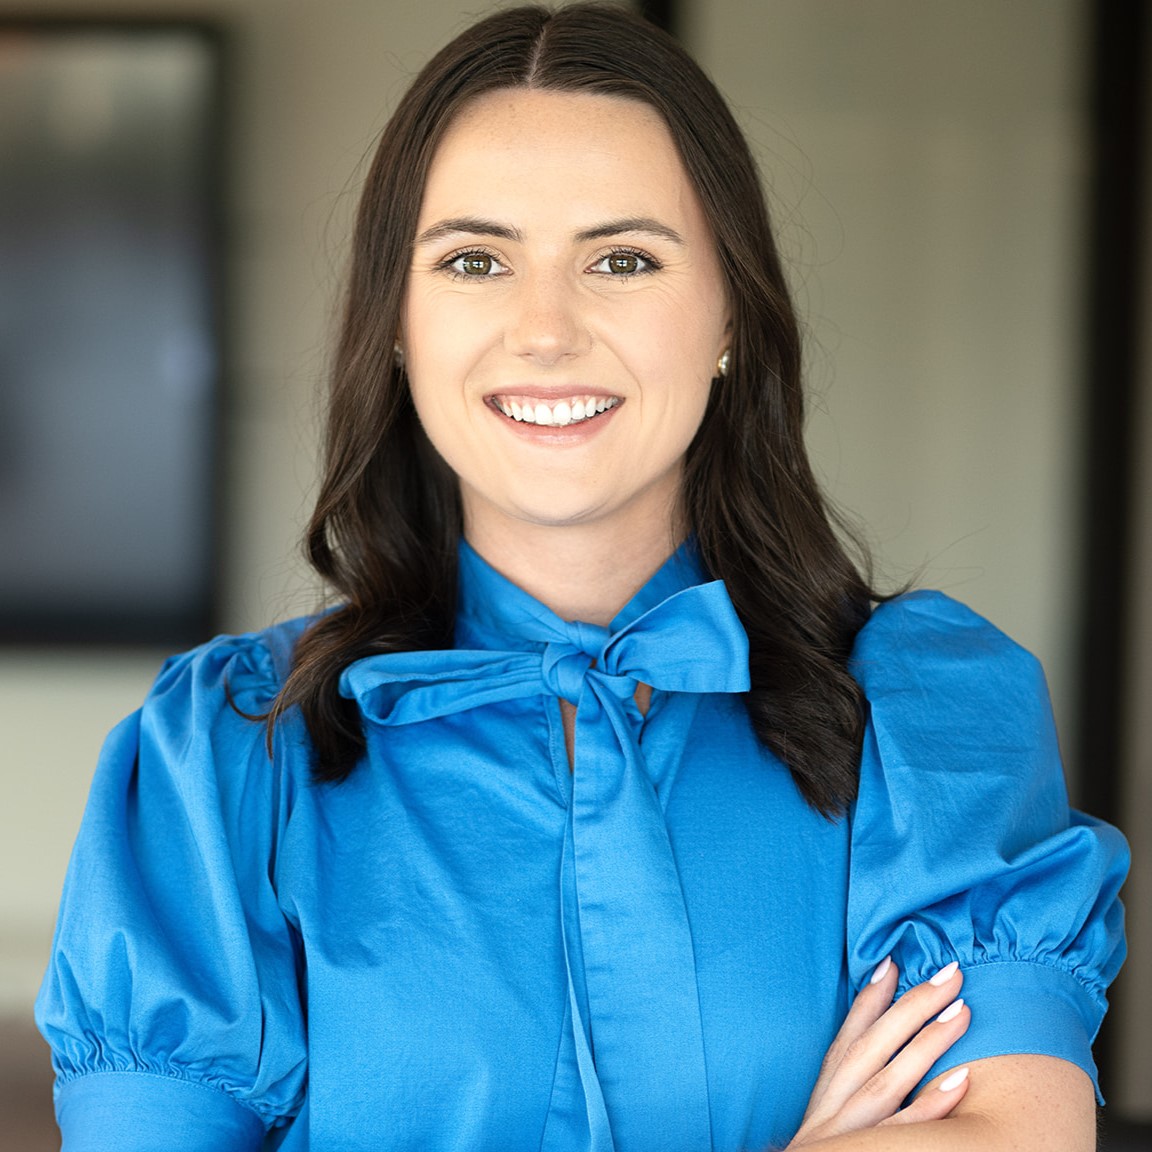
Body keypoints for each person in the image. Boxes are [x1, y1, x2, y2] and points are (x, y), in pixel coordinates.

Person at [36, 5, 1127, 1151]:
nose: (544, 330)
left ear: (730, 317)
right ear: (398, 325)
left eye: (621, 259)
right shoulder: (222, 761)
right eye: (474, 260)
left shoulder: (923, 716)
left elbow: (1009, 1131)